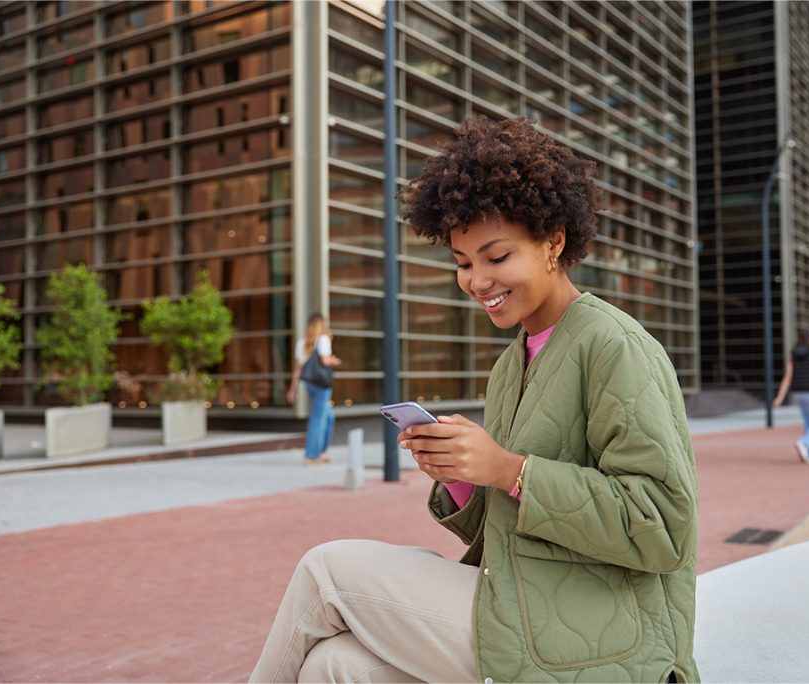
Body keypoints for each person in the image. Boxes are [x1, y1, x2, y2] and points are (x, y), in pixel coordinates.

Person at [250, 116, 700, 683]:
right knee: (332, 666)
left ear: (553, 243)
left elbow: (664, 527)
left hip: (607, 635)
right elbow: (521, 524)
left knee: (325, 572)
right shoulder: (514, 362)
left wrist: (509, 469)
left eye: (496, 257)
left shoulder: (615, 346)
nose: (477, 281)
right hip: (532, 601)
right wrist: (465, 475)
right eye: (463, 263)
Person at [287, 313, 341, 464]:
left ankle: (321, 451)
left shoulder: (302, 343)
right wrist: (334, 360)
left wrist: (293, 389)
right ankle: (311, 456)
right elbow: (324, 360)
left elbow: (298, 369)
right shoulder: (323, 339)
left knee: (328, 417)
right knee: (318, 418)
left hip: (310, 384)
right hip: (322, 384)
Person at [773, 328, 809, 464]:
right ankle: (804, 442)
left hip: (798, 393)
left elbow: (787, 377)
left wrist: (779, 398)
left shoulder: (793, 355)